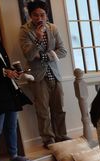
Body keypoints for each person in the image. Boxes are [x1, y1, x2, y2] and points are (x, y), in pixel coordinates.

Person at [19, 0, 69, 148]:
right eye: (35, 15)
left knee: (59, 107)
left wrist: (44, 56)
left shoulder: (53, 28)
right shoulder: (25, 31)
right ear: (30, 15)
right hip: (38, 76)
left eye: (42, 15)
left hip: (54, 73)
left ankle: (61, 135)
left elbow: (63, 51)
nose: (39, 18)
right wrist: (38, 39)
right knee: (43, 111)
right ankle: (48, 139)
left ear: (46, 15)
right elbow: (28, 55)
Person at [0, 33, 32, 161]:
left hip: (8, 90)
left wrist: (13, 72)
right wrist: (3, 72)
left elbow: (4, 63)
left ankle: (14, 155)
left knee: (11, 125)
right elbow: (0, 69)